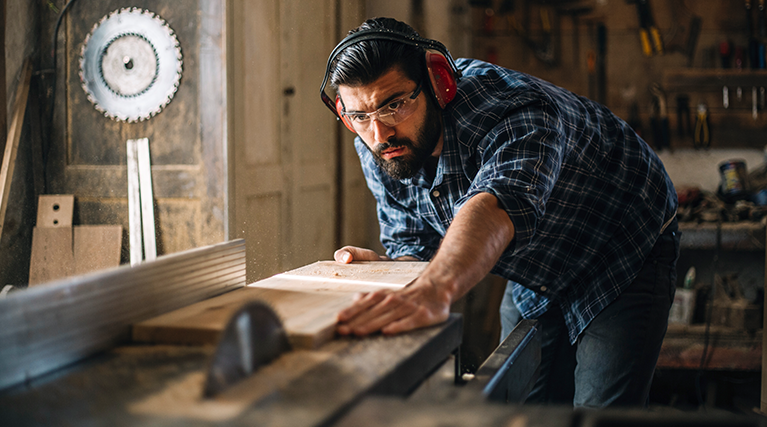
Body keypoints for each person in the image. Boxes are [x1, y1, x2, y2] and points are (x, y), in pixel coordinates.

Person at [320, 17, 679, 408]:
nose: (379, 134)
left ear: (438, 84)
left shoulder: (514, 108)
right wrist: (398, 271)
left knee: (599, 412)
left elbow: (496, 205)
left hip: (620, 244)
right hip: (534, 267)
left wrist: (434, 289)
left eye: (395, 105)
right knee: (520, 406)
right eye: (359, 116)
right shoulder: (379, 146)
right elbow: (415, 245)